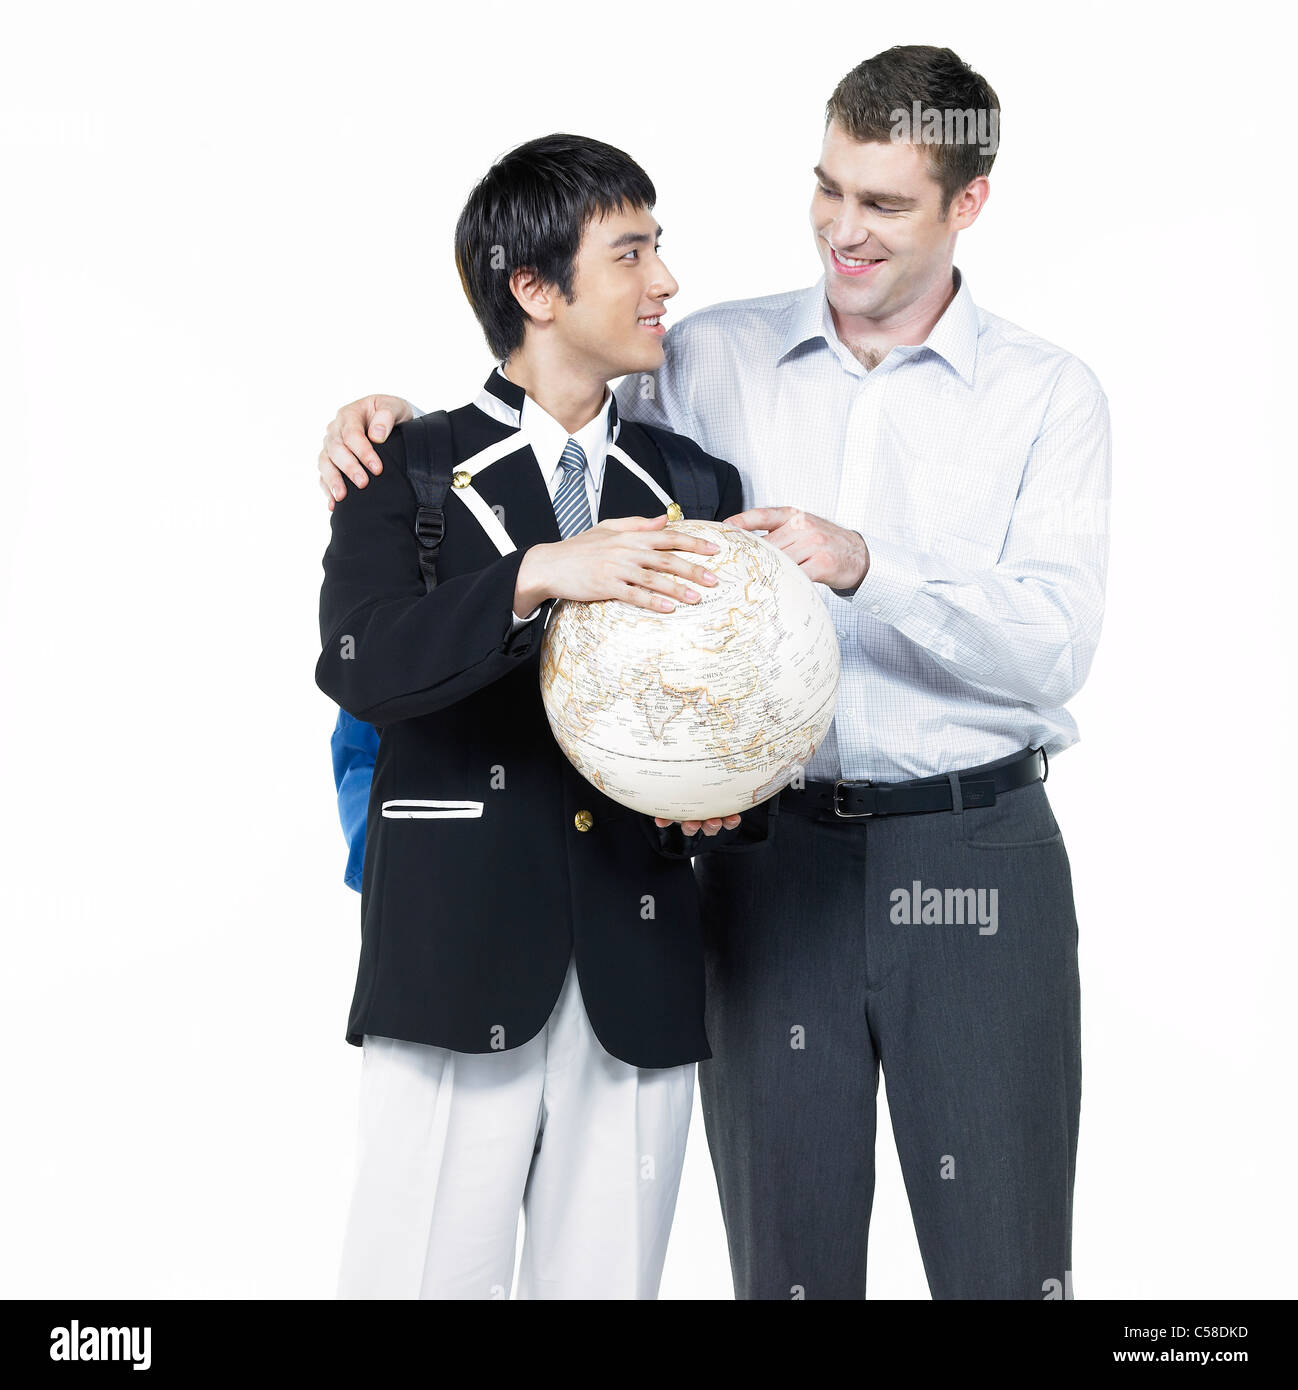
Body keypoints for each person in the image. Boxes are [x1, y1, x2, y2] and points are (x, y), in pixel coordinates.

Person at [319, 46, 1111, 1301]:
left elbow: (1054, 645)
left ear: (968, 205)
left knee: (1004, 1257)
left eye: (885, 204)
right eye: (828, 188)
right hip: (762, 868)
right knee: (781, 1267)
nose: (841, 231)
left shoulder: (1047, 394)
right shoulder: (701, 356)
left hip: (969, 847)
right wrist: (385, 424)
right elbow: (542, 384)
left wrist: (865, 566)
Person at [315, 132, 776, 1300]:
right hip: (454, 959)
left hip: (640, 968)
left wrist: (726, 799)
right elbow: (363, 663)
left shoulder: (697, 487)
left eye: (657, 247)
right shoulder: (401, 465)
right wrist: (533, 573)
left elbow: (735, 696)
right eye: (630, 253)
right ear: (532, 286)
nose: (663, 279)